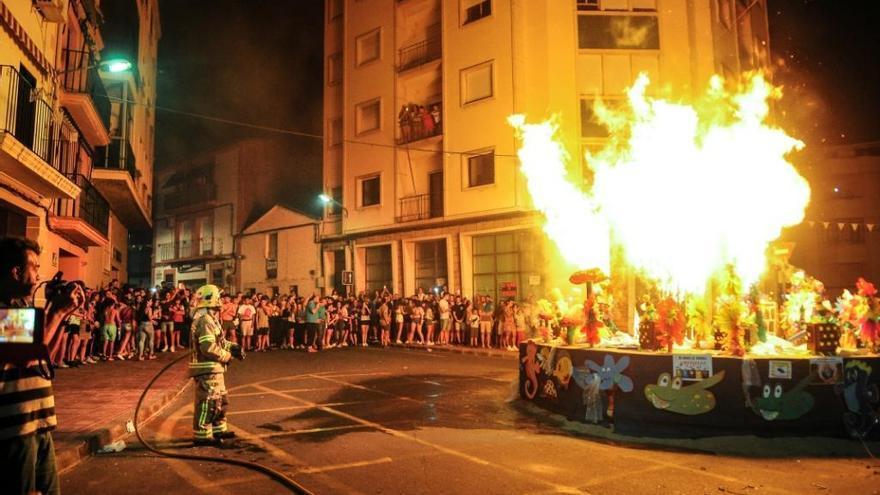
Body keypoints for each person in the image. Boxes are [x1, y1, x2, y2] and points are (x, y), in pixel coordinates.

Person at [0, 237, 83, 495]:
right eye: (34, 266)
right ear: (16, 272)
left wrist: (62, 312)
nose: (38, 274)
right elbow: (25, 355)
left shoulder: (20, 307)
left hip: (39, 422)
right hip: (17, 429)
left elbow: (45, 356)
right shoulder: (3, 310)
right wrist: (57, 313)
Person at [189, 284, 243, 446]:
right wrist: (227, 356)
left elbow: (218, 341)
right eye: (218, 297)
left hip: (214, 368)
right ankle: (202, 436)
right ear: (210, 299)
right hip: (207, 368)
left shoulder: (211, 318)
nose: (220, 300)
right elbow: (208, 347)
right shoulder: (205, 320)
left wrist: (233, 347)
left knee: (220, 400)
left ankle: (220, 430)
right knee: (208, 402)